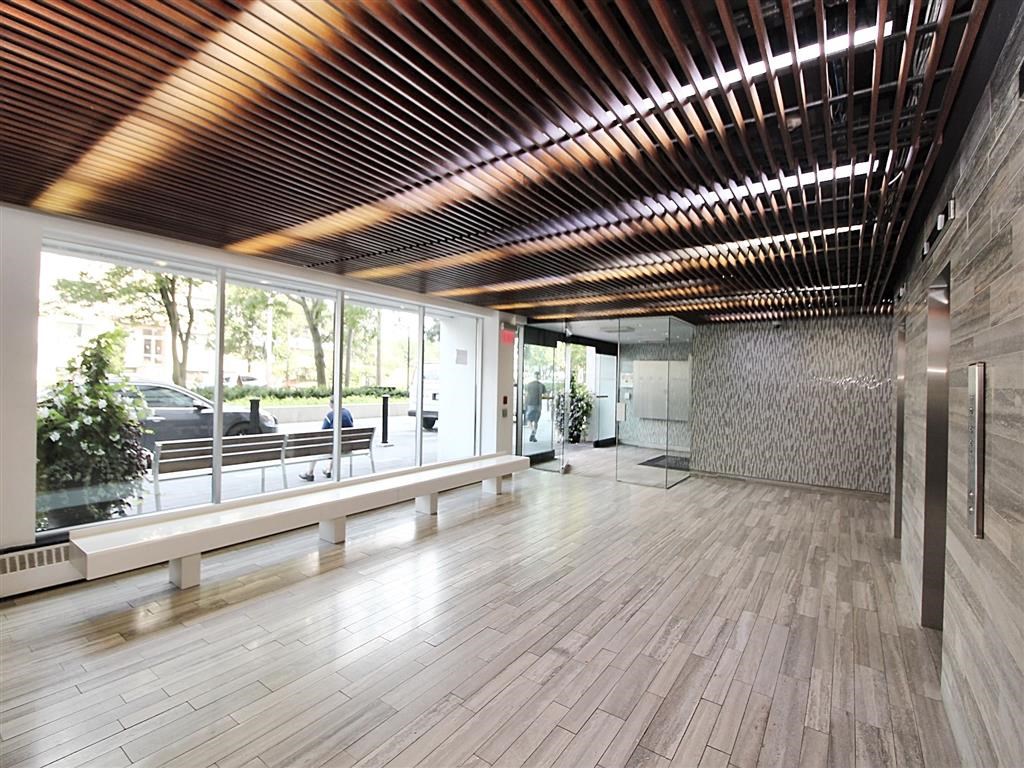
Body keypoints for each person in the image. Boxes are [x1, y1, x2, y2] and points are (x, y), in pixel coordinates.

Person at [300, 397, 353, 481]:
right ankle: (328, 470)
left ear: (331, 404)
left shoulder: (330, 415)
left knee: (315, 448)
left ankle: (310, 473)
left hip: (334, 447)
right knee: (337, 443)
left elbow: (323, 432)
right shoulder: (347, 413)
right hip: (347, 447)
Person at [524, 371, 546, 442]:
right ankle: (533, 434)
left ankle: (532, 430)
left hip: (530, 403)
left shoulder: (529, 384)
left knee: (529, 419)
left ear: (534, 376)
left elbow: (526, 394)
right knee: (536, 421)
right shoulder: (541, 385)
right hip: (538, 404)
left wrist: (525, 404)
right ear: (539, 376)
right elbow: (544, 394)